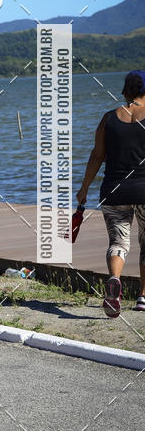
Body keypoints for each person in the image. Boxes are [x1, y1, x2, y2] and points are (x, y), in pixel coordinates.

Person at [76, 69, 145, 316]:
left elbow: (97, 156)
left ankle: (114, 279)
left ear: (125, 91)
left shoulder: (108, 118)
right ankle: (142, 297)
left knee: (118, 242)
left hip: (114, 191)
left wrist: (84, 188)